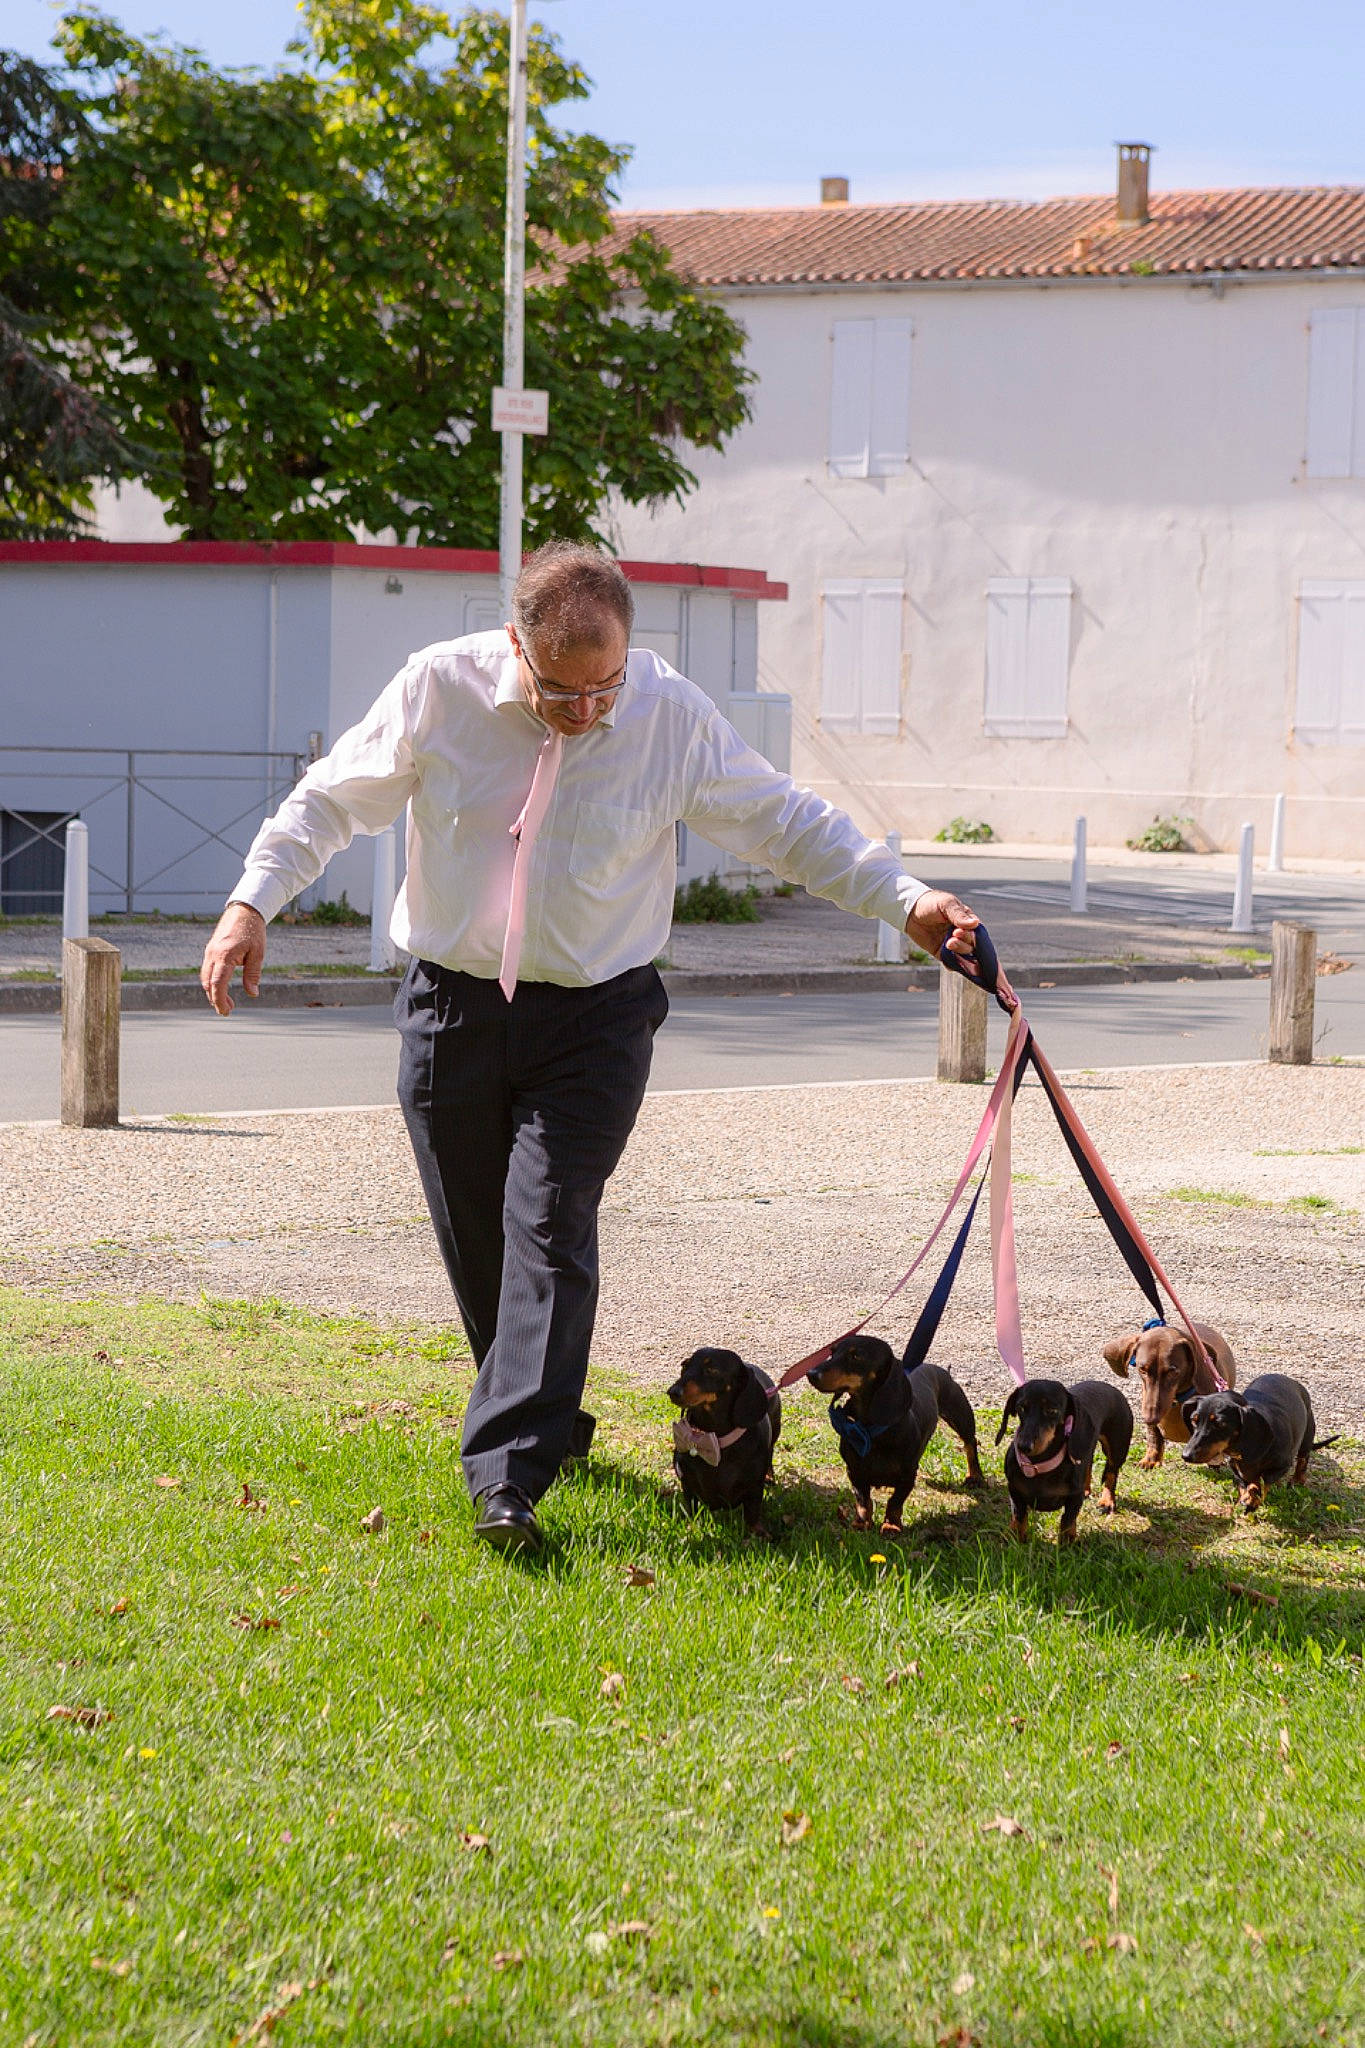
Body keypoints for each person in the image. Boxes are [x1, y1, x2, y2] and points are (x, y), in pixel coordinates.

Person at [201, 541, 995, 1556]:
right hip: (451, 1006)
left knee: (547, 1224)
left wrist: (905, 899)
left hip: (597, 1019)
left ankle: (507, 1476)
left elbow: (786, 823)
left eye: (604, 687)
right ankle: (548, 1416)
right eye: (559, 690)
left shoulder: (669, 715)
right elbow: (329, 799)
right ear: (514, 644)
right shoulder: (439, 689)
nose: (584, 712)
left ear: (629, 648)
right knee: (481, 1245)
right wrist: (250, 902)